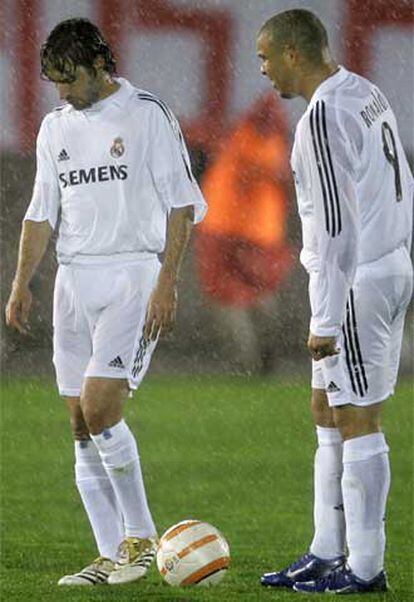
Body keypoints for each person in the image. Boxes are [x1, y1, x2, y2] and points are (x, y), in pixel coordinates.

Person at [5, 18, 206, 587]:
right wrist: (23, 281)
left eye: (69, 80)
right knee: (77, 422)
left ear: (99, 65)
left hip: (132, 275)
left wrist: (168, 280)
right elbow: (42, 212)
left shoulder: (146, 113)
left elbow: (180, 205)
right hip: (74, 280)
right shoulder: (55, 128)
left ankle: (141, 540)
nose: (62, 93)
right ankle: (108, 552)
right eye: (54, 83)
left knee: (99, 408)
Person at [256, 9, 413, 595]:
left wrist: (326, 315)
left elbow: (337, 225)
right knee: (328, 411)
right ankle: (326, 550)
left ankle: (366, 567)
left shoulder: (322, 115)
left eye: (267, 57)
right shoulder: (365, 91)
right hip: (388, 265)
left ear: (294, 53)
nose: (264, 70)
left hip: (356, 281)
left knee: (358, 421)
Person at [196, 92, 294, 373]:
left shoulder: (241, 139)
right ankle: (263, 356)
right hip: (259, 235)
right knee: (257, 294)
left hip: (226, 231)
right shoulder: (271, 145)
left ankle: (249, 362)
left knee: (228, 297)